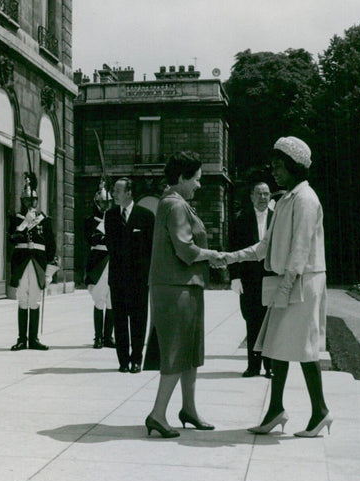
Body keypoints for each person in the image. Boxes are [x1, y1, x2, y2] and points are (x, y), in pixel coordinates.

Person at [220, 136, 330, 437]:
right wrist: (228, 257)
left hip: (303, 282)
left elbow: (300, 250)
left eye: (279, 166)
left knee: (304, 348)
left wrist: (285, 289)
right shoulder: (285, 200)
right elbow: (264, 246)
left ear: (294, 167)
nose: (274, 172)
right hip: (291, 281)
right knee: (279, 345)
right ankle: (278, 410)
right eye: (273, 166)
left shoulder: (306, 200)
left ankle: (318, 411)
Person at [144, 151, 223, 438]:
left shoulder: (174, 203)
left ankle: (188, 408)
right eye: (197, 180)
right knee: (177, 351)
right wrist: (213, 255)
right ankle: (157, 414)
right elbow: (185, 249)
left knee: (189, 352)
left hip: (185, 286)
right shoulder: (175, 206)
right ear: (181, 178)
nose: (199, 185)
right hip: (176, 287)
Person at [105, 178, 154, 373]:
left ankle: (136, 359)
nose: (114, 194)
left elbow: (151, 249)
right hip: (117, 278)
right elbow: (111, 244)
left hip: (139, 279)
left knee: (138, 319)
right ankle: (123, 360)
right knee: (119, 320)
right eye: (114, 190)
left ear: (129, 192)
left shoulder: (146, 216)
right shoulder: (109, 216)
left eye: (118, 190)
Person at [230, 180, 274, 378]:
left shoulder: (277, 219)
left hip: (272, 279)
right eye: (259, 193)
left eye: (266, 194)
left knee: (271, 323)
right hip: (248, 279)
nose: (263, 197)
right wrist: (235, 277)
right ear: (251, 197)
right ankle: (253, 366)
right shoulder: (240, 220)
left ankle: (270, 367)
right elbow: (233, 250)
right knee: (252, 321)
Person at [9, 172, 57, 351]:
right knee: (22, 298)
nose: (30, 204)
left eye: (33, 200)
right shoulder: (15, 218)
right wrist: (23, 225)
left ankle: (34, 339)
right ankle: (22, 339)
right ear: (22, 201)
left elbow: (51, 245)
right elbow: (12, 239)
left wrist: (50, 269)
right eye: (27, 201)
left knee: (35, 299)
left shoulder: (44, 219)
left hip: (38, 262)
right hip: (22, 262)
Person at [83, 183, 115, 349]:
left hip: (113, 260)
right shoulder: (90, 221)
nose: (106, 206)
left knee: (112, 300)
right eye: (103, 203)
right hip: (99, 260)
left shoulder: (116, 219)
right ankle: (98, 338)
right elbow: (91, 238)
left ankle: (108, 337)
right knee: (99, 299)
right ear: (97, 203)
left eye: (108, 203)